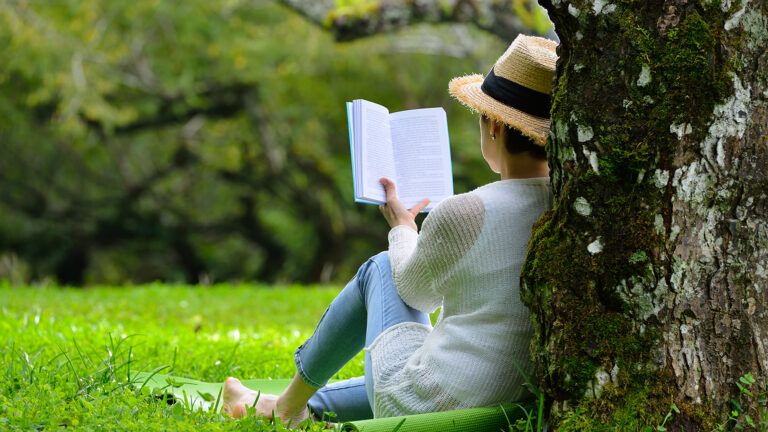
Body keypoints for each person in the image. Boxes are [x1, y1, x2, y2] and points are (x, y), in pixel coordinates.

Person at [222, 34, 558, 425]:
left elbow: (416, 293)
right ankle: (271, 404)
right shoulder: (569, 210)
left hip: (426, 408)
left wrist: (403, 229)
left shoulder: (466, 210)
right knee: (424, 359)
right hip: (511, 404)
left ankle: (285, 408)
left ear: (496, 127)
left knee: (381, 269)